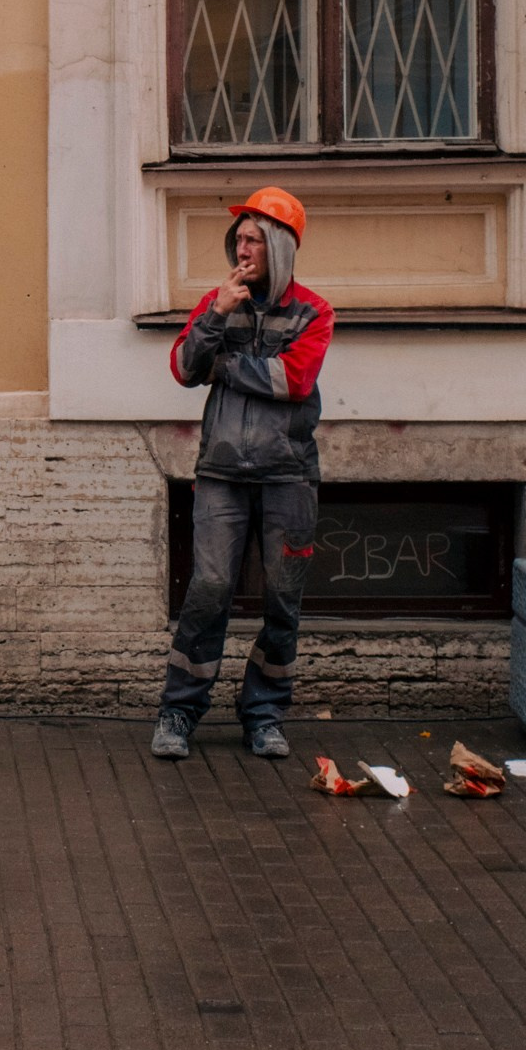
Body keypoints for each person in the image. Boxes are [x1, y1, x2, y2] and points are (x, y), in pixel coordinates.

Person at [151, 189, 333, 764]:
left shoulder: (313, 312)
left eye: (253, 239)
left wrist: (224, 365)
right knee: (208, 590)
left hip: (288, 478)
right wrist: (215, 318)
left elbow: (293, 382)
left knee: (283, 599)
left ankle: (264, 715)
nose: (242, 248)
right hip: (222, 474)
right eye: (239, 239)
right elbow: (183, 369)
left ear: (278, 246)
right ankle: (179, 712)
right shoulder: (217, 302)